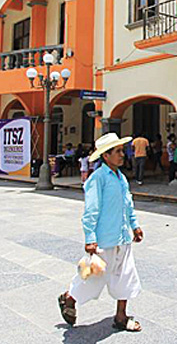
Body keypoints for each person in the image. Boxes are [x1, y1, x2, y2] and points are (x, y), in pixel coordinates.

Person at [58, 133, 144, 331]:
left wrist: (135, 225)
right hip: (104, 239)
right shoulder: (97, 179)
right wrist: (90, 238)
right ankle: (69, 298)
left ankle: (121, 316)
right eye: (118, 151)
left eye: (122, 151)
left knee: (125, 275)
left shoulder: (121, 178)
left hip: (122, 237)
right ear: (106, 156)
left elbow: (128, 204)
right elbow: (91, 210)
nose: (122, 155)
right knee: (92, 276)